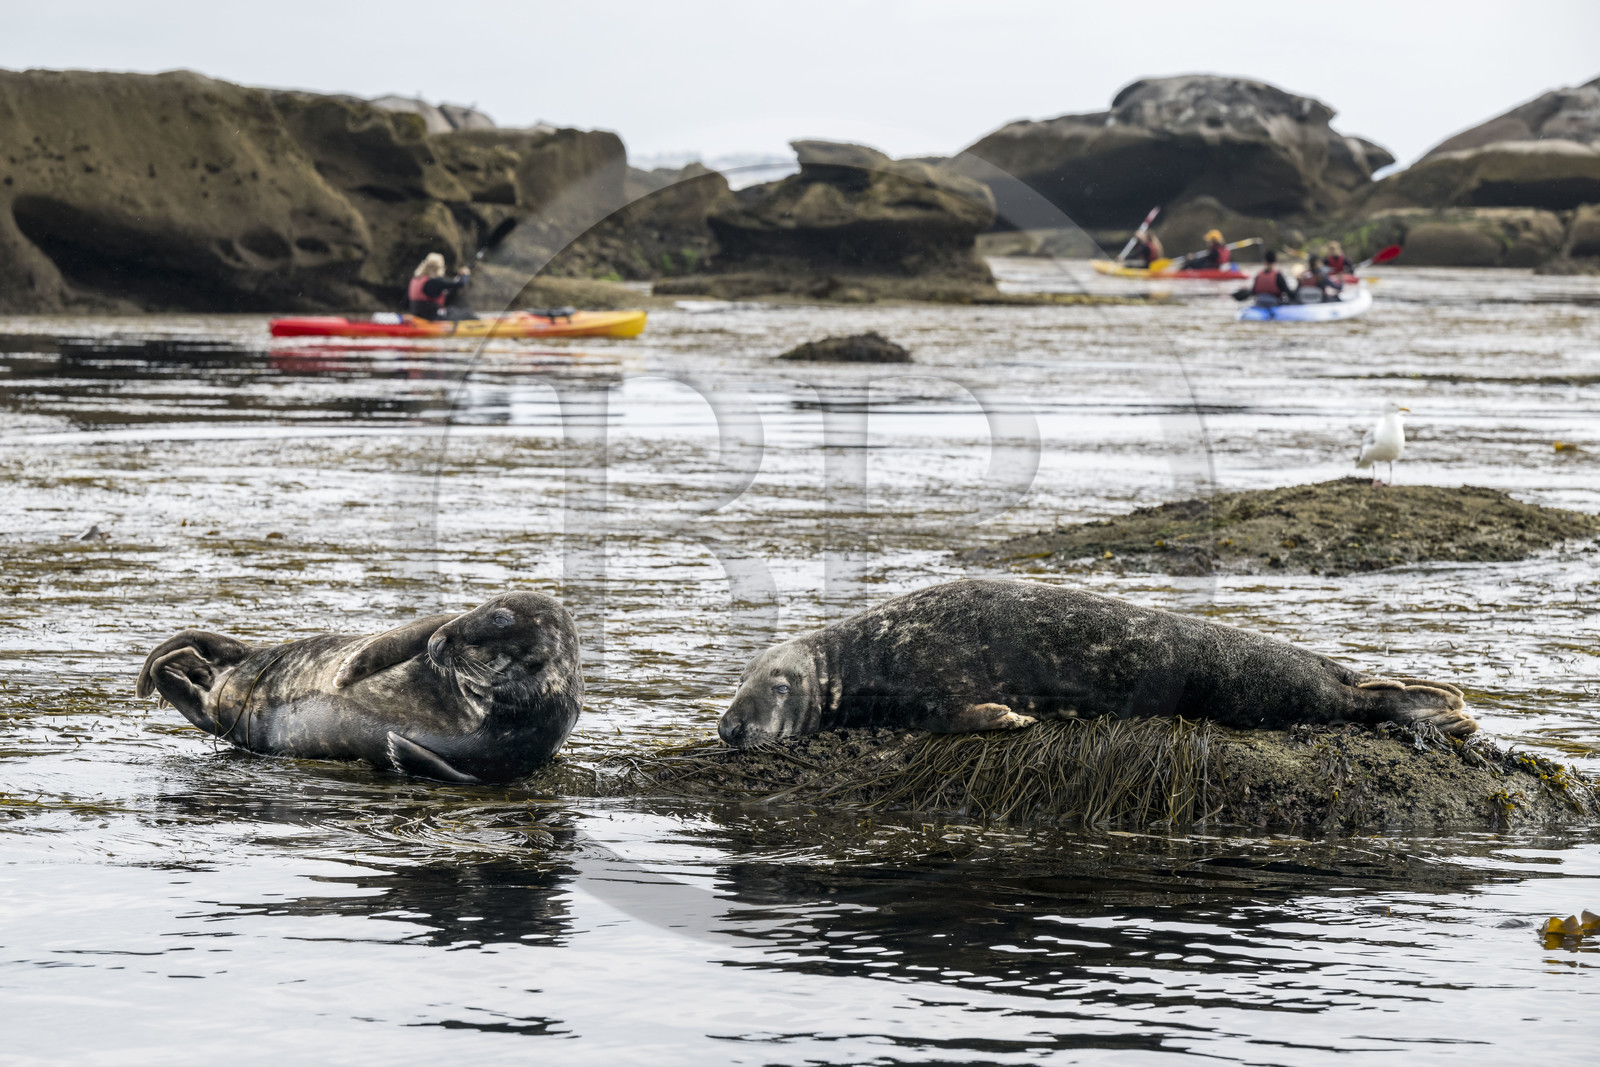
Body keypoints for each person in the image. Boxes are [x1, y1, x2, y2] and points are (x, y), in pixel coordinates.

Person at [407, 253, 475, 320]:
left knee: (452, 310)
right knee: (467, 314)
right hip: (431, 319)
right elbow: (460, 284)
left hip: (417, 316)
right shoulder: (435, 282)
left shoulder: (416, 279)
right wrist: (465, 274)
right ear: (439, 267)